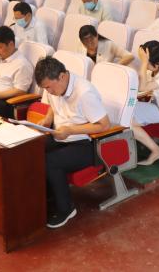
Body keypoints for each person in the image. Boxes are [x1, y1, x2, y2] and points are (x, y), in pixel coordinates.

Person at [34, 56, 111, 228]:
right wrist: (47, 120)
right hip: (60, 135)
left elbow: (104, 125)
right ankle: (49, 196)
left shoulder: (84, 92)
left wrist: (70, 130)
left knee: (50, 162)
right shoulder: (54, 86)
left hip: (86, 143)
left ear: (61, 76)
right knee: (31, 149)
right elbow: (53, 106)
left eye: (49, 87)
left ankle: (66, 208)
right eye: (45, 88)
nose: (48, 91)